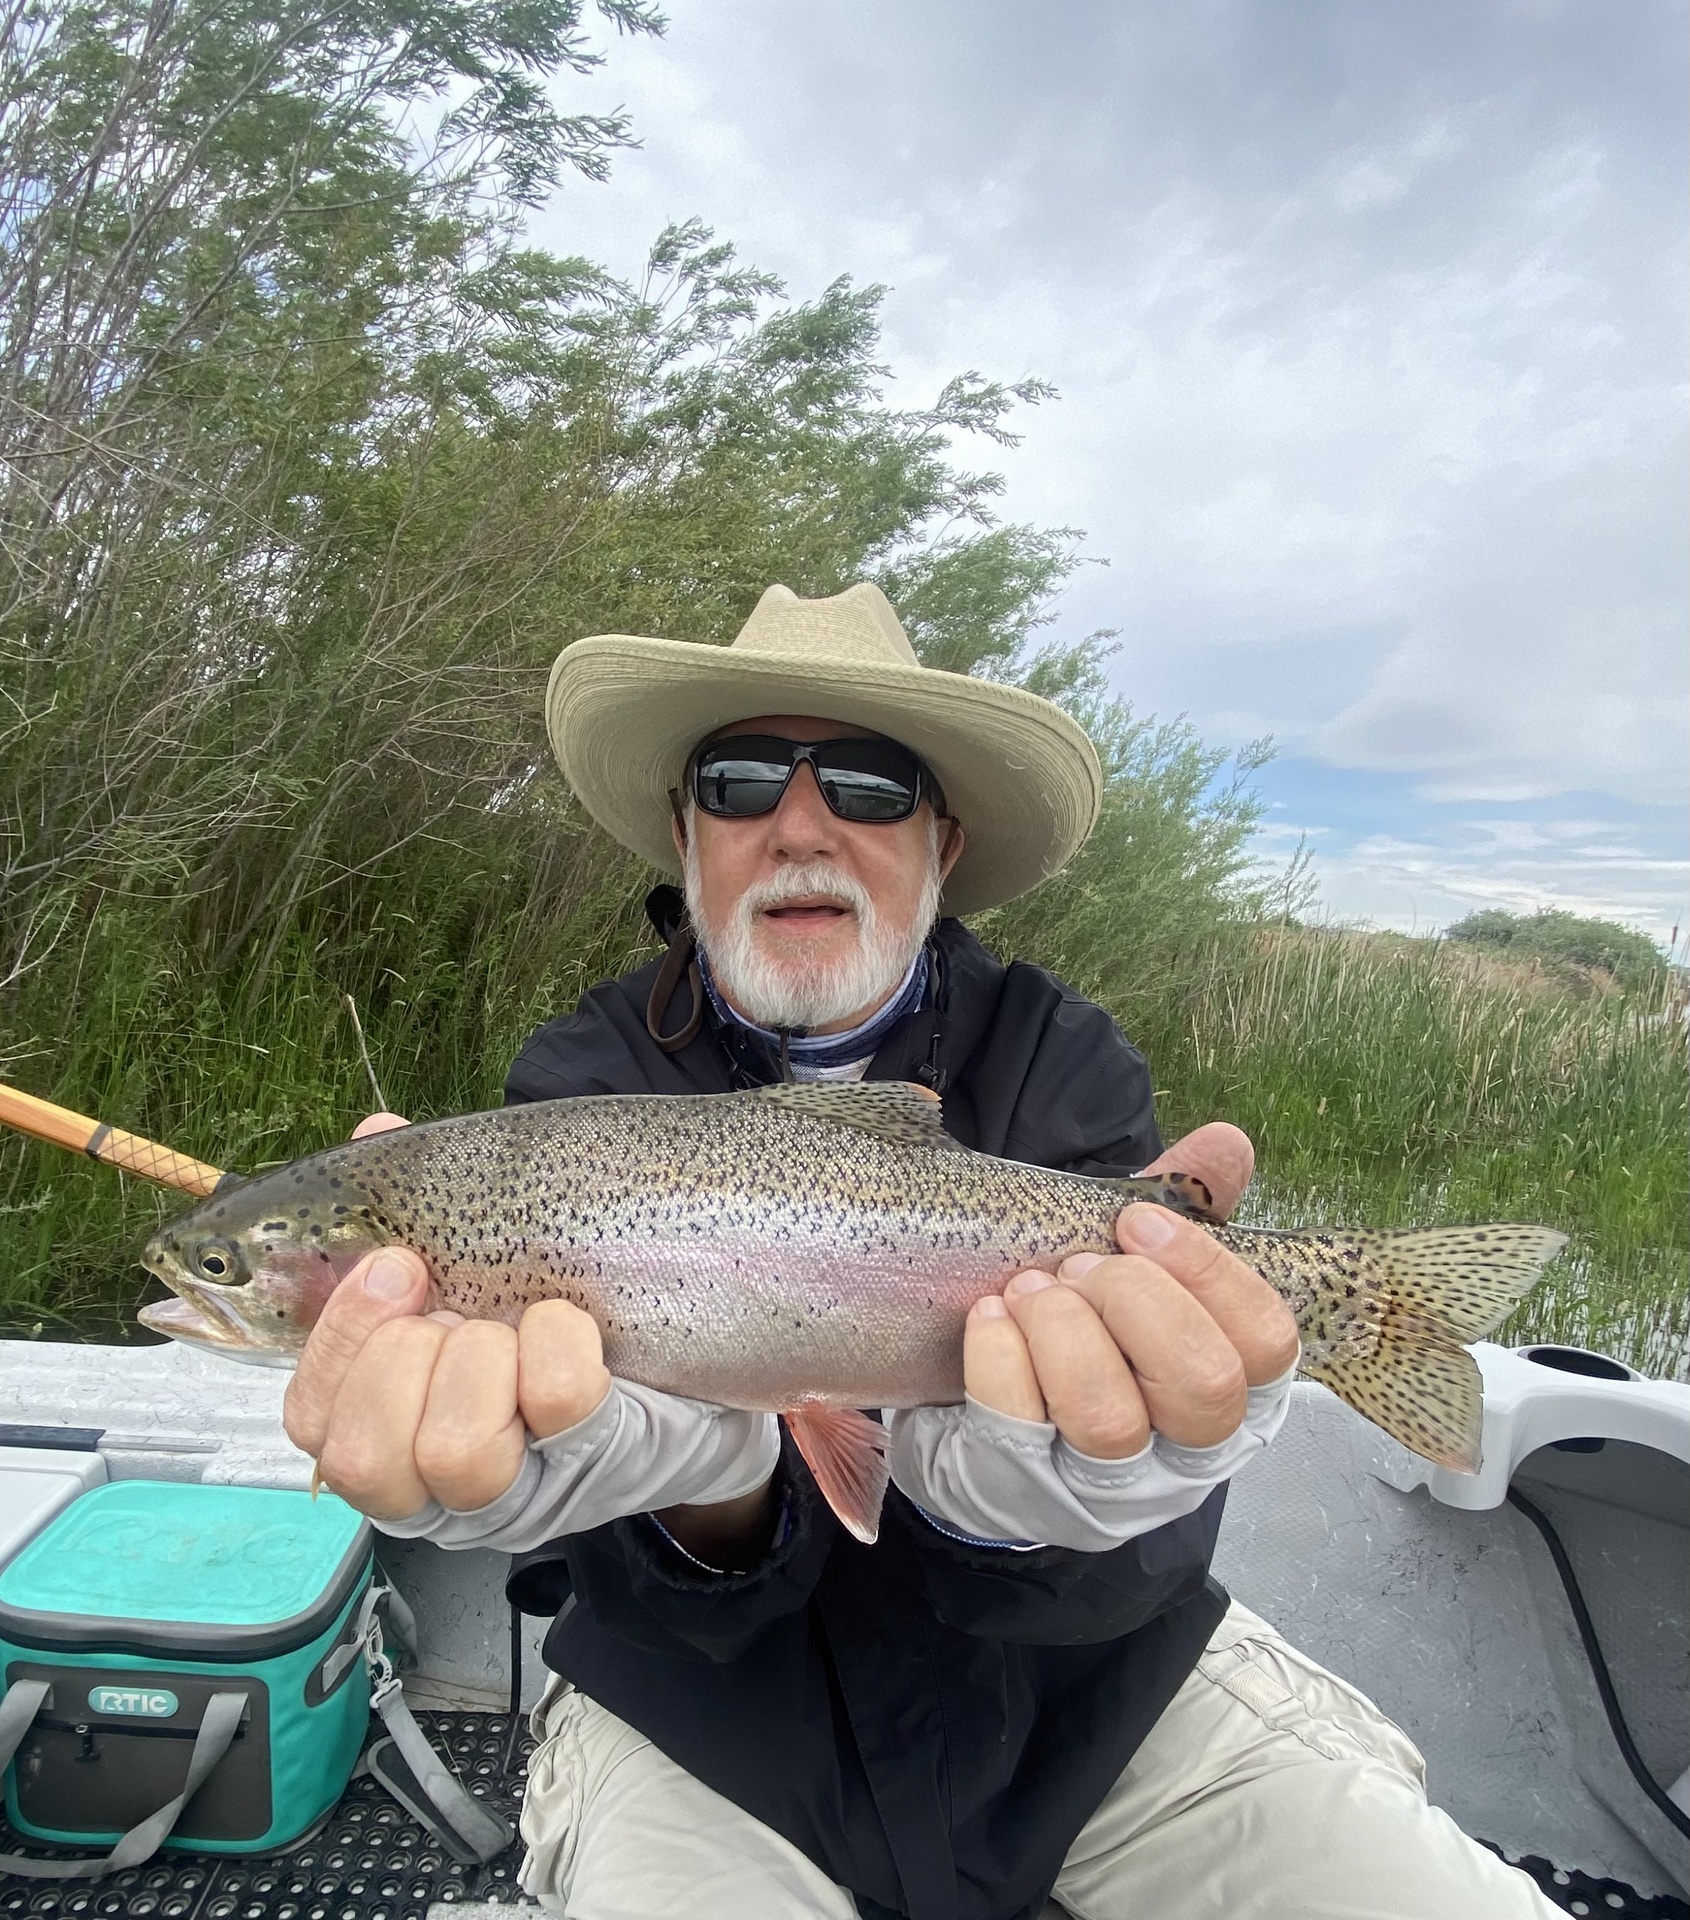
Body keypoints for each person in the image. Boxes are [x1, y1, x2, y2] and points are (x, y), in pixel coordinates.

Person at [283, 585, 1557, 1920]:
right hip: (703, 1723)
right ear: (684, 832)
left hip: (1099, 1703)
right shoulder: (571, 1082)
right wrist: (700, 1501)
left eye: (868, 786)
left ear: (941, 841)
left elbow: (1130, 1518)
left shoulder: (1062, 1054)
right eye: (737, 780)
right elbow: (603, 1548)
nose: (796, 824)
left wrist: (1061, 1504)